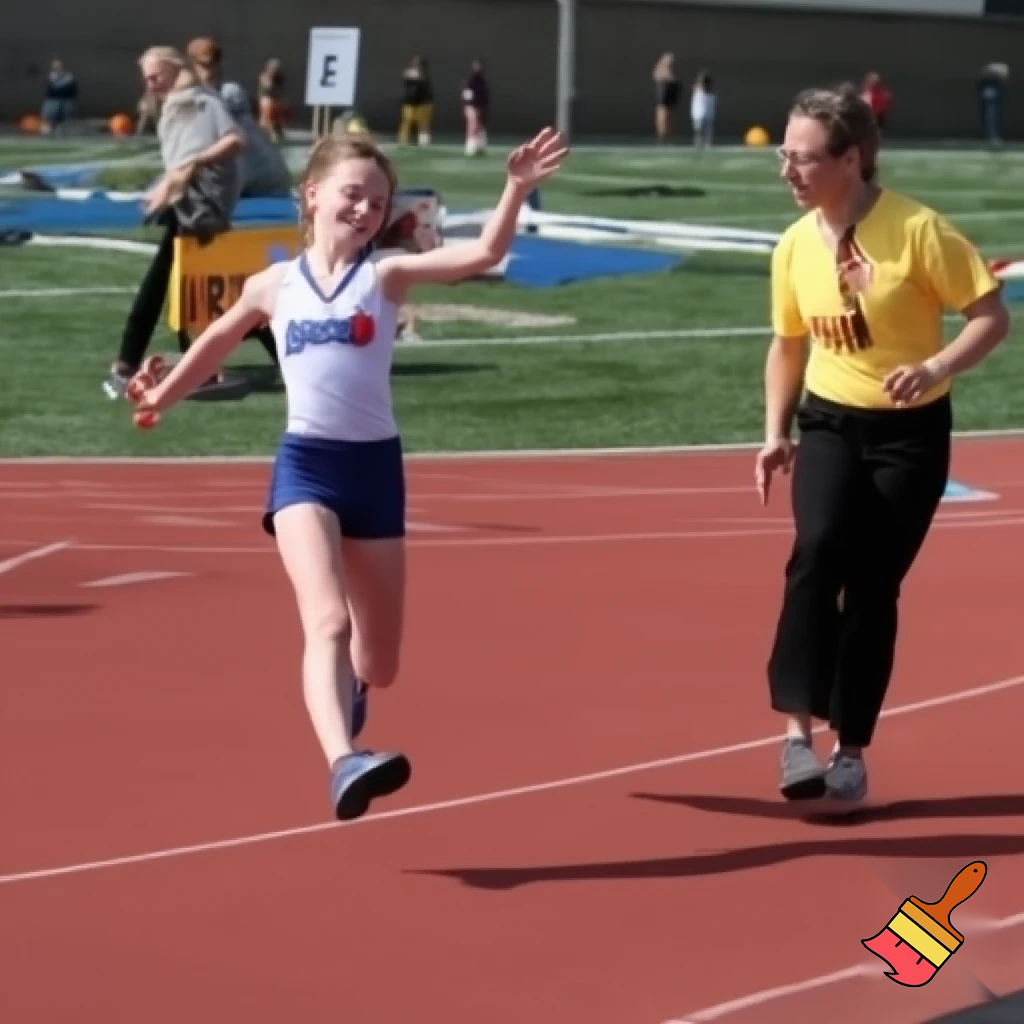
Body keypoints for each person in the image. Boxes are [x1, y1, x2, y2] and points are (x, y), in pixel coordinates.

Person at [131, 127, 569, 821]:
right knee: (327, 619)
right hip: (306, 466)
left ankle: (354, 698)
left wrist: (515, 187)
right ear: (312, 196)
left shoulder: (384, 275)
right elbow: (214, 341)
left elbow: (484, 253)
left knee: (381, 663)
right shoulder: (272, 286)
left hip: (375, 472)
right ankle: (344, 760)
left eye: (378, 200)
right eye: (352, 194)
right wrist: (160, 395)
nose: (364, 209)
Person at [756, 83, 1009, 803]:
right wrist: (775, 431)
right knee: (816, 552)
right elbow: (787, 343)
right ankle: (796, 739)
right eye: (785, 155)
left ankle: (851, 751)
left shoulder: (921, 231)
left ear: (854, 159)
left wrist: (934, 366)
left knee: (872, 585)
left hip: (910, 436)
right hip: (830, 420)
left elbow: (990, 317)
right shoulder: (794, 245)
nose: (789, 172)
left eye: (805, 159)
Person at [104, 46, 244, 401]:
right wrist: (164, 187)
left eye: (156, 76)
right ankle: (187, 365)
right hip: (186, 204)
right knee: (182, 286)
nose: (151, 84)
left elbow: (234, 141)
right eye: (147, 79)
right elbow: (180, 162)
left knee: (179, 288)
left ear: (174, 69)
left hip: (201, 206)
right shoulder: (172, 104)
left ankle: (135, 361)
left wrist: (191, 167)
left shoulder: (201, 102)